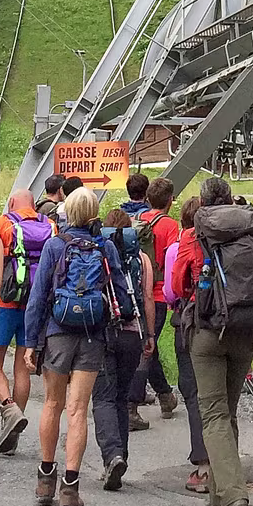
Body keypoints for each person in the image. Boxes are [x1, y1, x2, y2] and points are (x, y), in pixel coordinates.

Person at [23, 184, 136, 506]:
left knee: (52, 405)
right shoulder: (105, 247)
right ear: (93, 215)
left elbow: (38, 296)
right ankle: (70, 489)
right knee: (78, 410)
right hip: (92, 335)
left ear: (67, 213)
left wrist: (31, 342)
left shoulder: (55, 245)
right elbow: (120, 293)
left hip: (57, 333)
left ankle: (46, 478)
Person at [188, 175, 253, 506]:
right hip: (246, 328)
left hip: (208, 331)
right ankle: (218, 500)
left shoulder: (199, 233)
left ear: (204, 203)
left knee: (215, 415)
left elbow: (177, 284)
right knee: (228, 414)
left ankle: (234, 498)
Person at [90, 209, 155, 490]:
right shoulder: (141, 258)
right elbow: (148, 297)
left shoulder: (96, 251)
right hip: (132, 333)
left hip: (103, 332)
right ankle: (121, 457)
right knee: (121, 397)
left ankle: (112, 456)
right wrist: (149, 334)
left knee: (103, 398)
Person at [0, 188, 51, 455]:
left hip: (5, 304)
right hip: (34, 307)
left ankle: (9, 408)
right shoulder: (50, 225)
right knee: (23, 367)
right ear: (34, 205)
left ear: (11, 202)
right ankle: (13, 429)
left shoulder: (1, 224)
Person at [164, 192, 208, 495]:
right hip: (227, 322)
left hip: (190, 322)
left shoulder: (179, 247)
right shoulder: (227, 243)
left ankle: (203, 465)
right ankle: (225, 463)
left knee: (193, 393)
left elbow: (173, 291)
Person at [128, 175, 181, 423]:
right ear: (170, 200)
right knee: (147, 349)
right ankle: (131, 406)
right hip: (157, 294)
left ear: (148, 199)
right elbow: (172, 262)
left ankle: (165, 395)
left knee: (150, 345)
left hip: (134, 291)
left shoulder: (137, 219)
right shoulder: (170, 225)